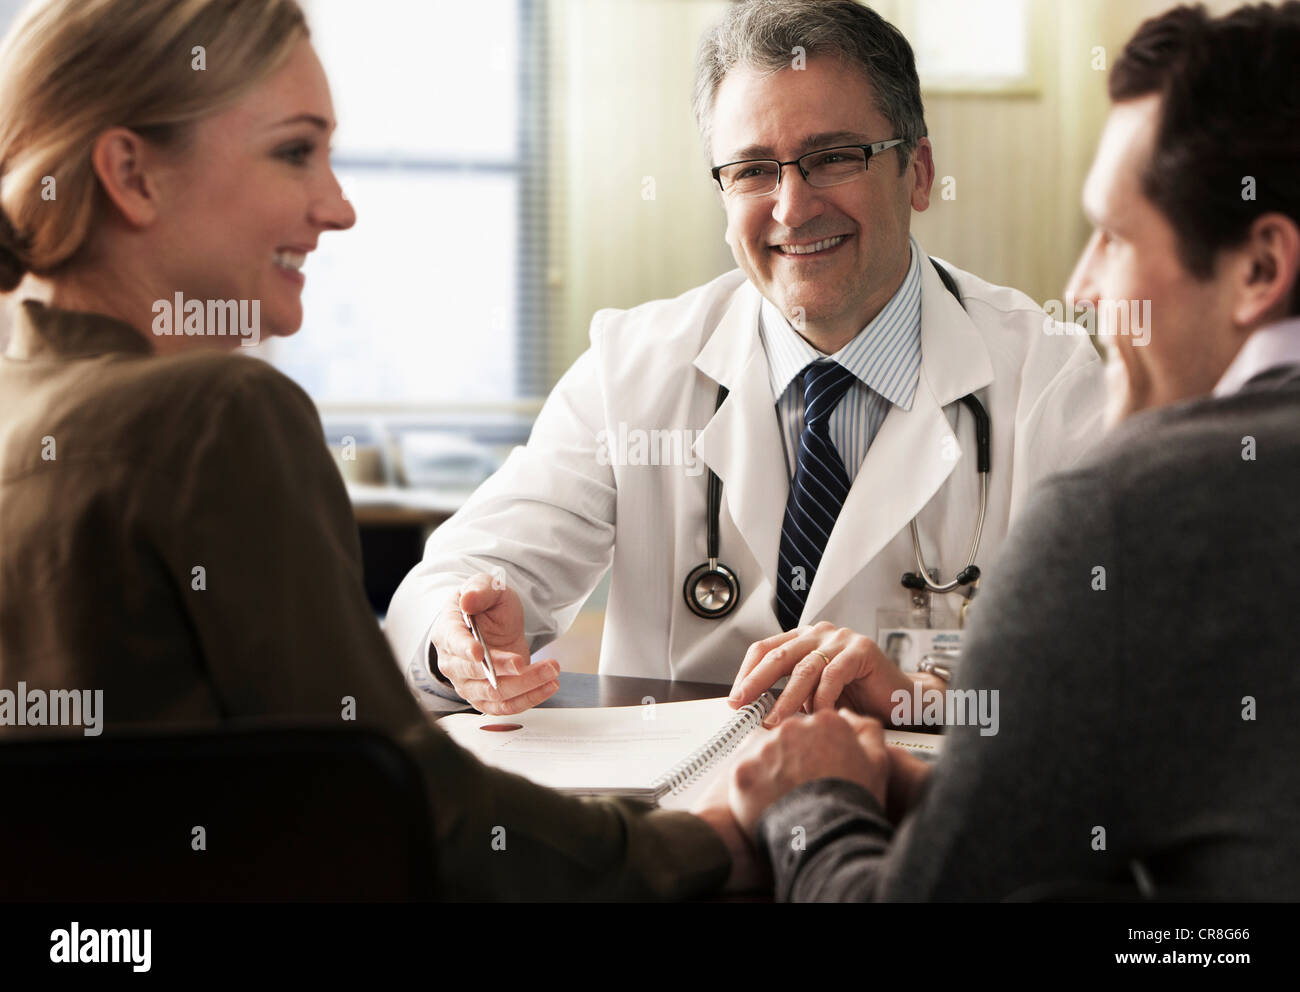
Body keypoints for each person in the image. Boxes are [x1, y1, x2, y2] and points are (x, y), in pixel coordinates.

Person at [0, 0, 750, 900]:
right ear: (131, 173)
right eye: (294, 151)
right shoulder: (214, 418)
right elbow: (418, 823)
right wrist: (717, 836)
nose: (339, 206)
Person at [384, 0, 1107, 719]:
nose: (792, 207)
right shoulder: (633, 369)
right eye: (753, 170)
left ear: (916, 173)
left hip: (921, 819)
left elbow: (1117, 670)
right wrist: (462, 634)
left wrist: (931, 701)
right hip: (680, 824)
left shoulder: (1048, 381)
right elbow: (461, 574)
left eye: (832, 158)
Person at [726, 1, 1300, 901]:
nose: (1081, 286)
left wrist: (814, 803)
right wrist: (962, 797)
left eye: (1110, 238)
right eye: (753, 170)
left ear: (1261, 270)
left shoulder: (1132, 504)